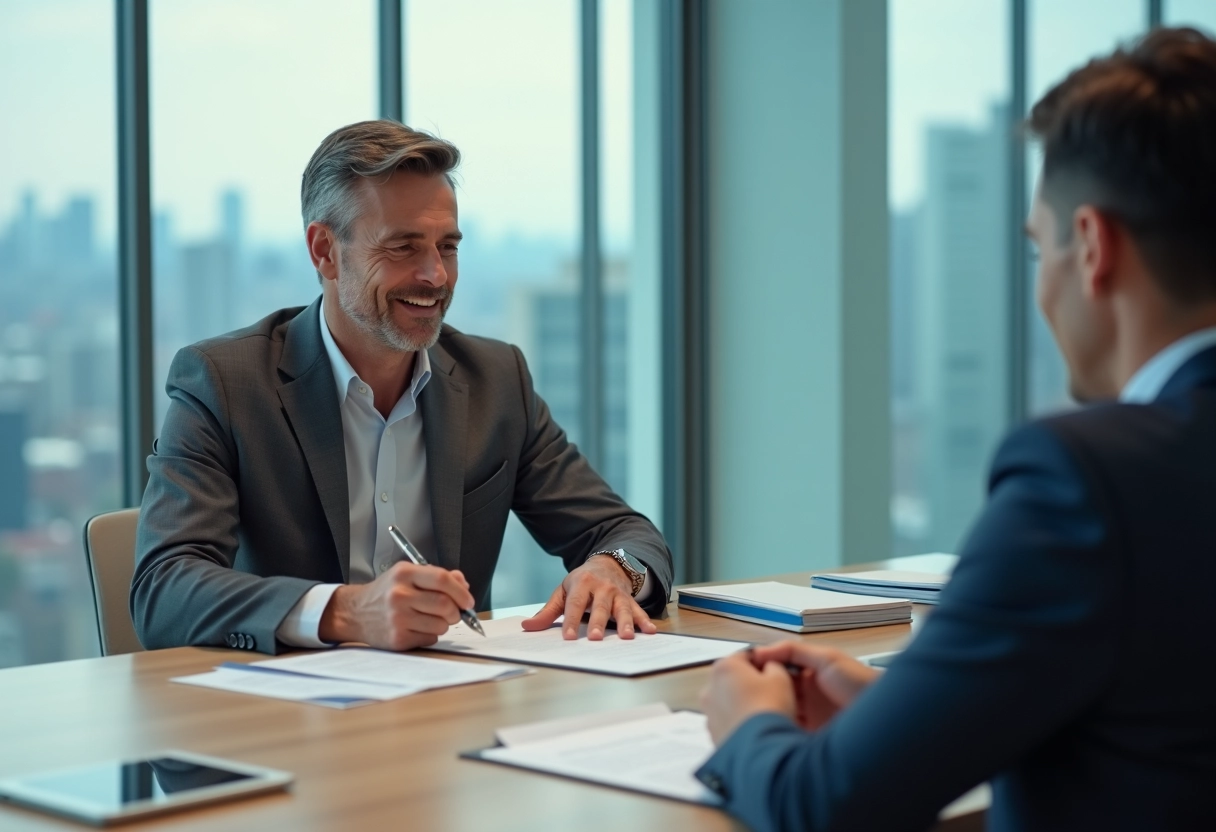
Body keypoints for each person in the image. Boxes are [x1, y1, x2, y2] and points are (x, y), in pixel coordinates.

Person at [696, 26, 1216, 832]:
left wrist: (746, 725)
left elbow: (823, 806)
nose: (1042, 290)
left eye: (1038, 250)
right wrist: (914, 710)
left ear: (1091, 246)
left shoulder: (1089, 481)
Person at [131, 121, 673, 655]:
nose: (436, 275)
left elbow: (623, 531)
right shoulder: (225, 382)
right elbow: (163, 587)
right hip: (280, 703)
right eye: (403, 247)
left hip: (452, 697)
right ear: (325, 251)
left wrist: (614, 568)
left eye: (447, 246)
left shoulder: (495, 379)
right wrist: (346, 612)